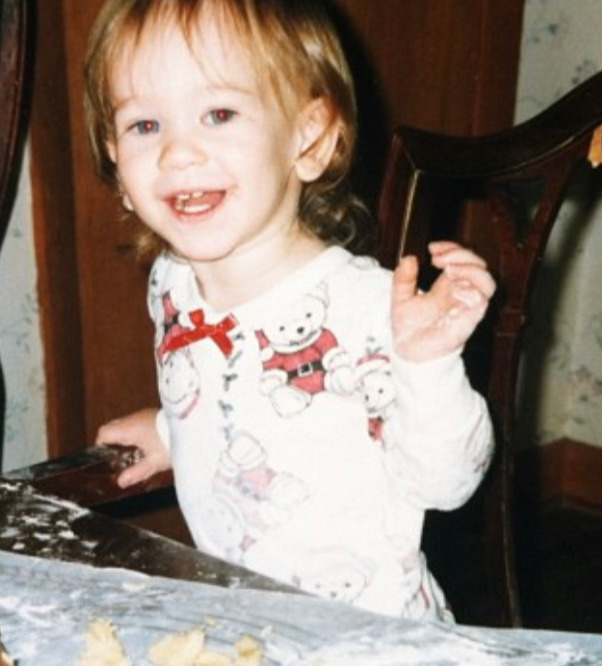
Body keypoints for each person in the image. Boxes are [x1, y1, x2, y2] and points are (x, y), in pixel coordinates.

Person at [84, 0, 496, 623]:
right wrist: (175, 430)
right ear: (116, 158)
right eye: (145, 125)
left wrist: (428, 365)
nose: (177, 153)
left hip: (374, 638)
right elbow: (242, 403)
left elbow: (447, 483)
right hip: (252, 621)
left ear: (309, 140)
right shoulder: (174, 282)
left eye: (218, 114)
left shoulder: (368, 309)